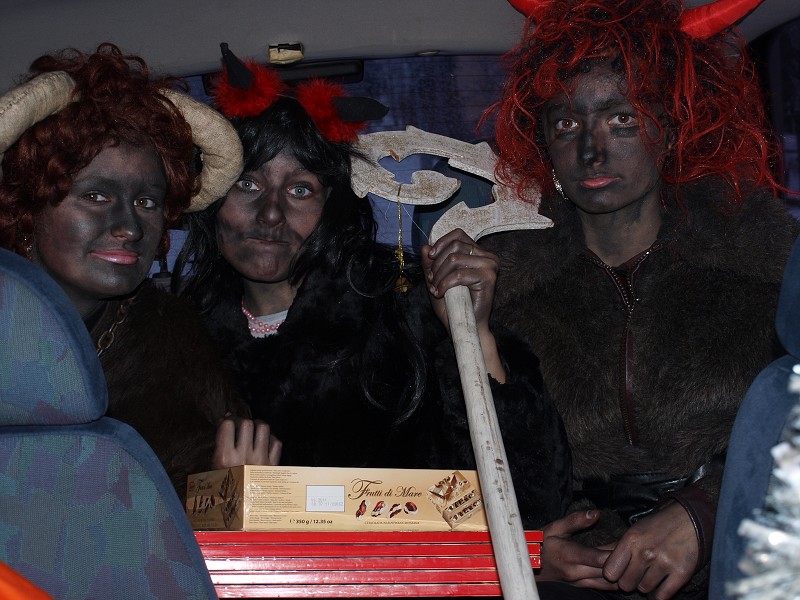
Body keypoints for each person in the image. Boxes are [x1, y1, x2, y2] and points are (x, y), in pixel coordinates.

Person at [476, 0, 800, 597]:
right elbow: (457, 463)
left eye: (621, 119)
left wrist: (704, 514)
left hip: (746, 558)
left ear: (670, 131)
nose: (592, 152)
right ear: (544, 144)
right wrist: (523, 547)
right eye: (566, 125)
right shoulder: (504, 289)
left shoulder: (768, 270)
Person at [173, 44, 572, 529]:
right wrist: (222, 498)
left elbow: (530, 500)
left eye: (300, 189)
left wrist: (474, 334)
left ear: (331, 206)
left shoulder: (403, 312)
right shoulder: (175, 338)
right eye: (248, 185)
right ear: (213, 196)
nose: (271, 213)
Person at [0, 44, 281, 500]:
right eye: (96, 196)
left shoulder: (176, 345)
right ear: (29, 207)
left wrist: (227, 495)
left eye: (147, 202)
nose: (130, 227)